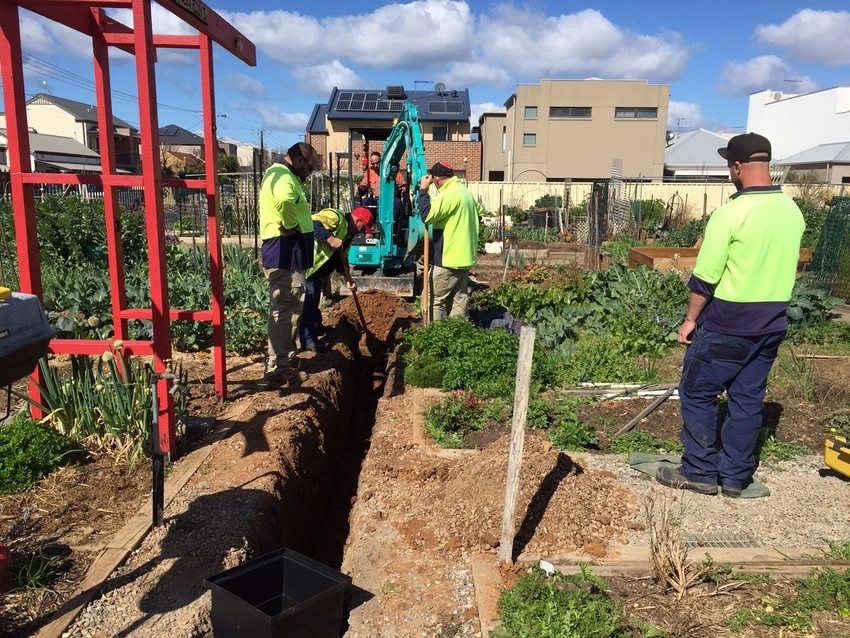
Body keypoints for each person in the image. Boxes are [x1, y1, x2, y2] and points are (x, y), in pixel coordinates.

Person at [655, 133, 805, 497]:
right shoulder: (792, 211)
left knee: (696, 391)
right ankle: (736, 477)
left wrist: (690, 320)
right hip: (771, 324)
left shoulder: (731, 214)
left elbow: (705, 279)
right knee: (747, 399)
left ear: (737, 167)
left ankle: (699, 470)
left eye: (728, 165)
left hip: (727, 324)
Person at [258, 141, 322, 385]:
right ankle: (277, 368)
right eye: (308, 168)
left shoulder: (283, 175)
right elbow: (285, 201)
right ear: (298, 160)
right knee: (284, 310)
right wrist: (291, 225)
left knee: (291, 308)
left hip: (291, 254)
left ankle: (283, 362)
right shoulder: (282, 176)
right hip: (285, 253)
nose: (308, 173)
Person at [298, 206, 374, 352]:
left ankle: (317, 328)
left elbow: (341, 260)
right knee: (308, 299)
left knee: (314, 300)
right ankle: (308, 340)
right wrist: (330, 238)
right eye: (362, 228)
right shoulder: (336, 217)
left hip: (316, 271)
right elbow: (310, 222)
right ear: (357, 220)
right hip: (304, 264)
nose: (362, 232)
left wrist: (349, 279)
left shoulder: (348, 235)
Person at [417, 161, 482, 320]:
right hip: (464, 257)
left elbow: (427, 215)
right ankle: (455, 336)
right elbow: (479, 215)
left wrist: (423, 190)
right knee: (457, 301)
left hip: (448, 259)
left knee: (432, 299)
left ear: (437, 179)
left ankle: (433, 338)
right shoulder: (465, 192)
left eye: (433, 181)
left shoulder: (449, 194)